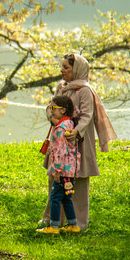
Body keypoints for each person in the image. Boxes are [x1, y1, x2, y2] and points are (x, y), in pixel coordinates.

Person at [40, 52, 116, 231]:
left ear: (77, 69)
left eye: (66, 67)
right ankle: (52, 218)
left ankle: (78, 222)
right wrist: (52, 117)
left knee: (78, 180)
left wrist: (76, 131)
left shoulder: (85, 91)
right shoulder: (62, 87)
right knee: (56, 177)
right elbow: (51, 107)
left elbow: (87, 115)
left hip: (79, 141)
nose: (62, 70)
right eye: (63, 67)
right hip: (60, 141)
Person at [39, 95, 80, 235]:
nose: (51, 111)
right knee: (67, 197)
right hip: (71, 170)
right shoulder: (69, 124)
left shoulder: (60, 129)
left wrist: (57, 170)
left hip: (61, 170)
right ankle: (73, 224)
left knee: (55, 197)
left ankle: (54, 226)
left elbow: (60, 151)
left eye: (53, 108)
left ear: (62, 110)